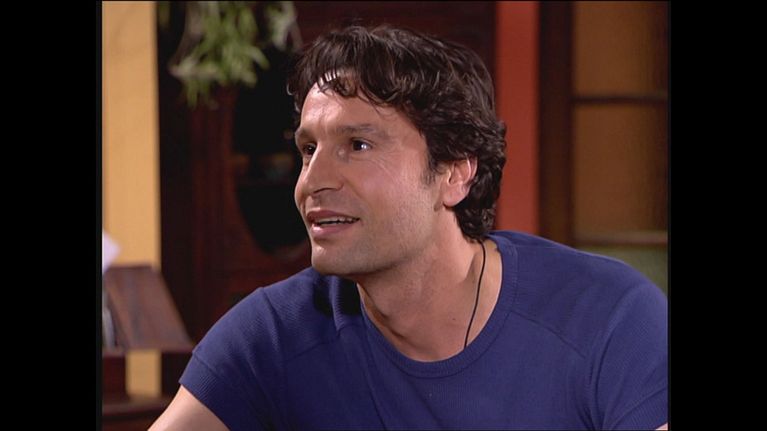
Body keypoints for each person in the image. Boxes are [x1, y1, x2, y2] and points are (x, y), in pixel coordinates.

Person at [150, 25, 668, 431]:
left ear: (455, 173)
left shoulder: (609, 318)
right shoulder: (272, 333)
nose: (312, 181)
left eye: (358, 145)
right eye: (308, 149)